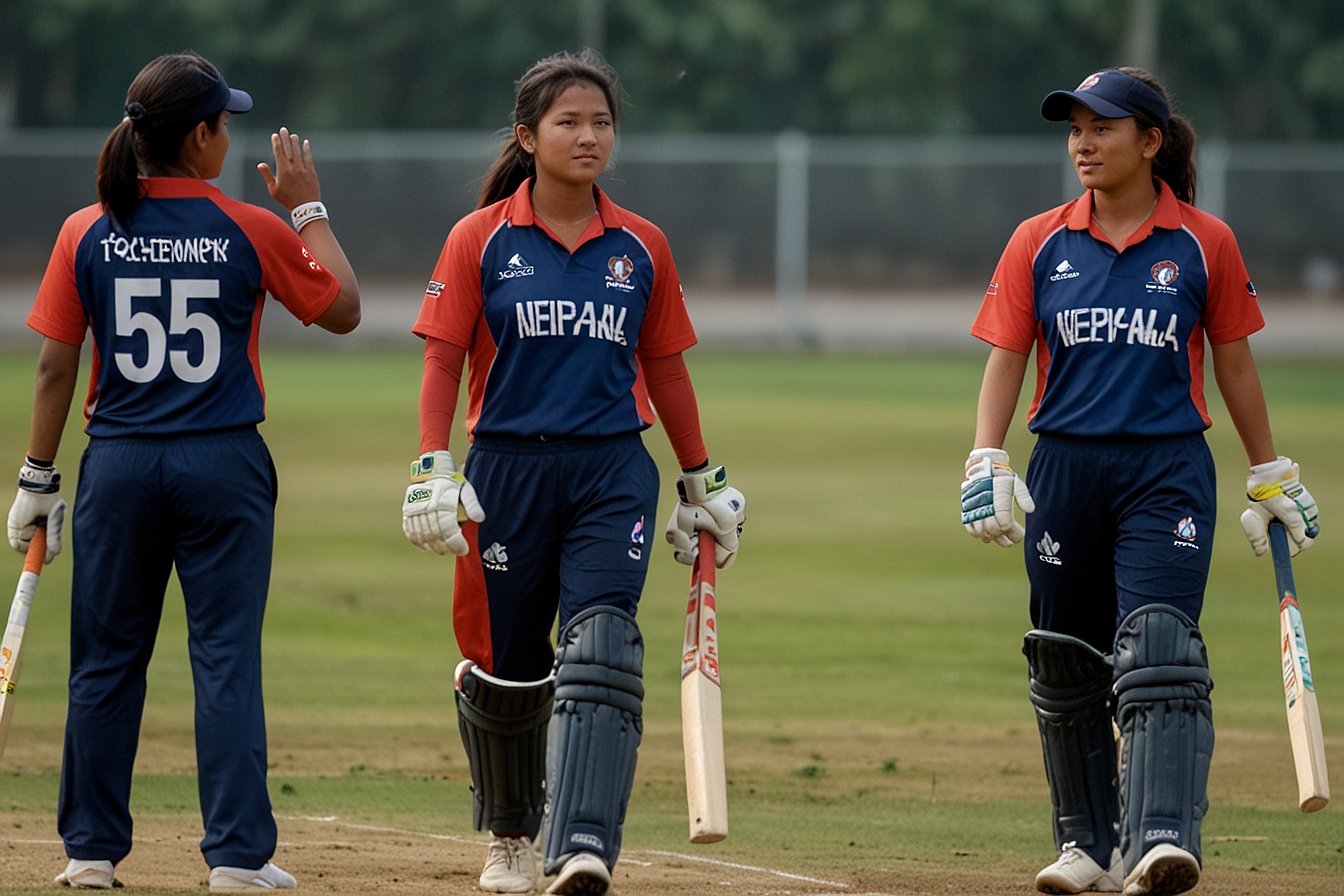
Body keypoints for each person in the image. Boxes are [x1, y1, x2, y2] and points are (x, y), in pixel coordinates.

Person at [5, 51, 361, 891]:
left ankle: (90, 852)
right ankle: (236, 857)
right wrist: (307, 208)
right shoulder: (249, 224)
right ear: (200, 135)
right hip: (223, 462)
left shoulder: (83, 228)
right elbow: (343, 309)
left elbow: (56, 368)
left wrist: (35, 477)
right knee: (226, 657)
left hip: (120, 466)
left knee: (104, 661)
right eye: (224, 125)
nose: (229, 138)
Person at [959, 67, 1320, 896]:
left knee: (1157, 645)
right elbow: (1007, 356)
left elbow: (1232, 360)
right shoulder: (1038, 240)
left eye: (1103, 127)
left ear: (1150, 142)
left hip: (1166, 470)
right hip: (1065, 468)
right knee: (1065, 658)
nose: (1083, 142)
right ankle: (1085, 844)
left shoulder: (1204, 242)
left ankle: (1160, 837)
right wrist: (988, 455)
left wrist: (1268, 470)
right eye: (1075, 128)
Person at [401, 48, 745, 896]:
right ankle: (511, 837)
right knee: (508, 663)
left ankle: (581, 844)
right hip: (505, 473)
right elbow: (443, 360)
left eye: (601, 123)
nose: (589, 136)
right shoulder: (479, 238)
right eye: (569, 122)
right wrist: (431, 466)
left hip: (609, 473)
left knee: (600, 643)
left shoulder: (640, 245)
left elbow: (665, 370)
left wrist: (702, 481)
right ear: (528, 136)